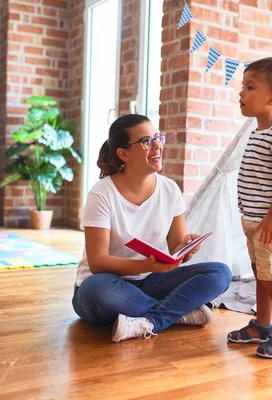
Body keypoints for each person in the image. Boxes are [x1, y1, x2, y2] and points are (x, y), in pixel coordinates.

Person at [72, 114, 232, 342]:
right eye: (146, 141)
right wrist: (144, 265)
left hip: (151, 282)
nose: (157, 146)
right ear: (123, 153)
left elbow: (175, 248)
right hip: (109, 284)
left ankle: (150, 321)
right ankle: (178, 313)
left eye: (158, 138)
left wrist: (185, 248)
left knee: (220, 273)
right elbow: (98, 263)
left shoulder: (170, 189)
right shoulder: (101, 194)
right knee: (98, 290)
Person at [227, 57, 272, 358]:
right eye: (243, 87)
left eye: (249, 87)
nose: (241, 93)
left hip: (271, 223)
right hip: (255, 221)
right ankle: (262, 324)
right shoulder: (258, 132)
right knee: (261, 274)